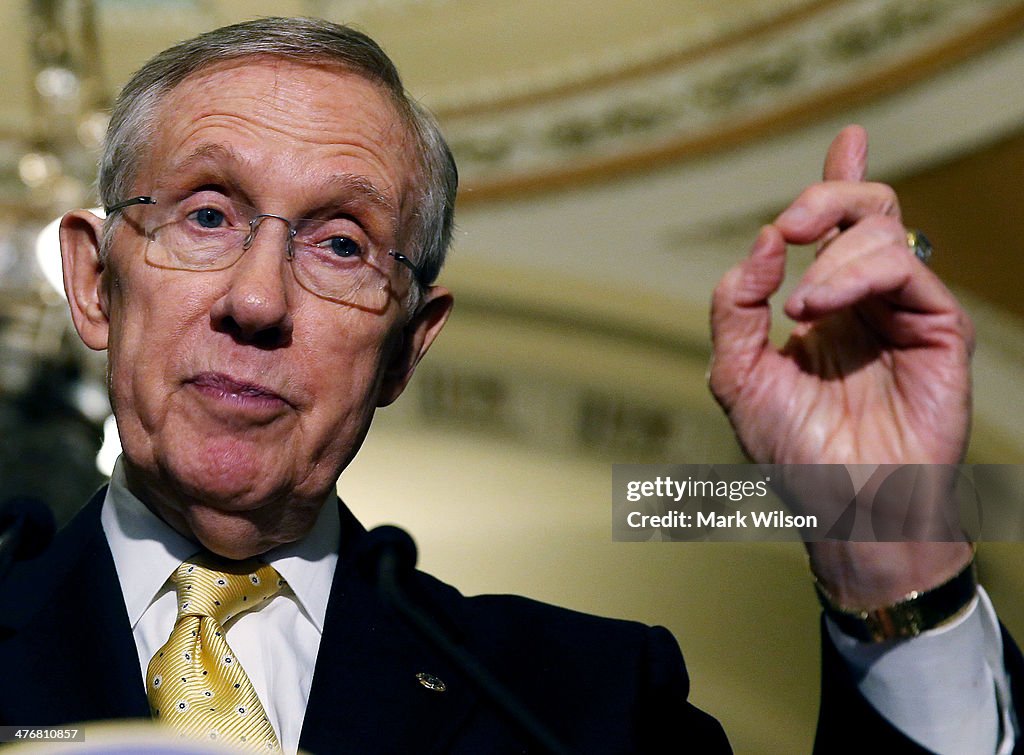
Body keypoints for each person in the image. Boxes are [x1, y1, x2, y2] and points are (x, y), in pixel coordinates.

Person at [0, 15, 1011, 754]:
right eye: (209, 215)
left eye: (343, 243)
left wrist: (886, 546)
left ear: (407, 347)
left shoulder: (584, 705)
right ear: (94, 282)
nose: (258, 300)